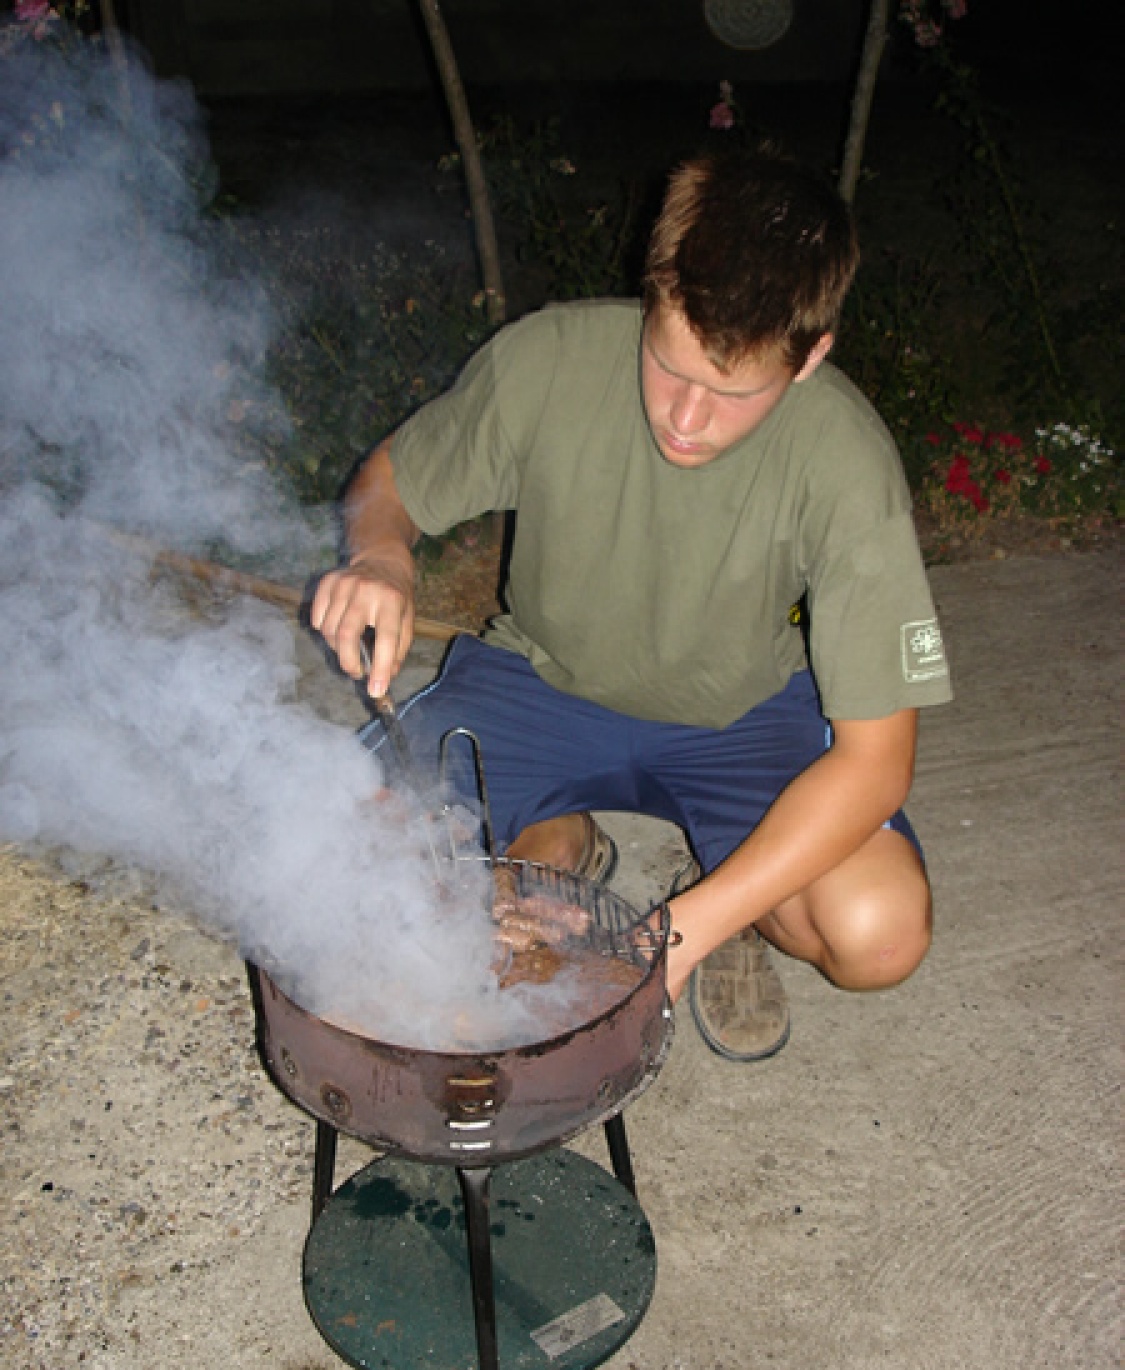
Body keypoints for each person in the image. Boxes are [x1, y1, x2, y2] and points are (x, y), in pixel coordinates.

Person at [311, 143, 952, 1062]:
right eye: (668, 367)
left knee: (876, 934)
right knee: (332, 864)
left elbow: (876, 762)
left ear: (810, 356)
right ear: (651, 293)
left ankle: (728, 896)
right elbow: (392, 481)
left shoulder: (846, 461)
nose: (684, 420)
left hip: (741, 716)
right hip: (534, 683)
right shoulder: (551, 357)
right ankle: (554, 843)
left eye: (729, 394)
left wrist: (675, 937)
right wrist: (381, 555)